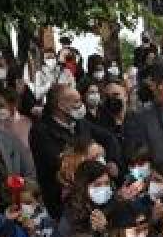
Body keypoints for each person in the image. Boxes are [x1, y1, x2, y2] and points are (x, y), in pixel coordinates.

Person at [29, 82, 121, 219]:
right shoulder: (41, 131)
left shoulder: (80, 123)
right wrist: (91, 155)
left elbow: (109, 137)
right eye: (77, 101)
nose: (81, 105)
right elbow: (59, 162)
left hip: (93, 194)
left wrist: (113, 160)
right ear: (61, 105)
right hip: (63, 202)